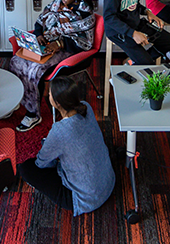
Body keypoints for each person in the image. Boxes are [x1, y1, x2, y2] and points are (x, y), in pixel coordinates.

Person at [9, 0, 96, 132]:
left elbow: (85, 43)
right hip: (48, 43)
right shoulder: (56, 4)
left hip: (71, 50)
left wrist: (60, 43)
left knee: (35, 69)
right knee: (16, 62)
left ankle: (33, 113)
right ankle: (23, 100)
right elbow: (40, 21)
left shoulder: (85, 12)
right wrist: (39, 34)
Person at [19, 76, 115, 216]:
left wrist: (50, 147)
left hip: (85, 199)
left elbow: (42, 163)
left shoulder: (59, 131)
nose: (48, 95)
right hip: (108, 181)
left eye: (50, 93)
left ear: (56, 102)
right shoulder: (86, 106)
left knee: (26, 168)